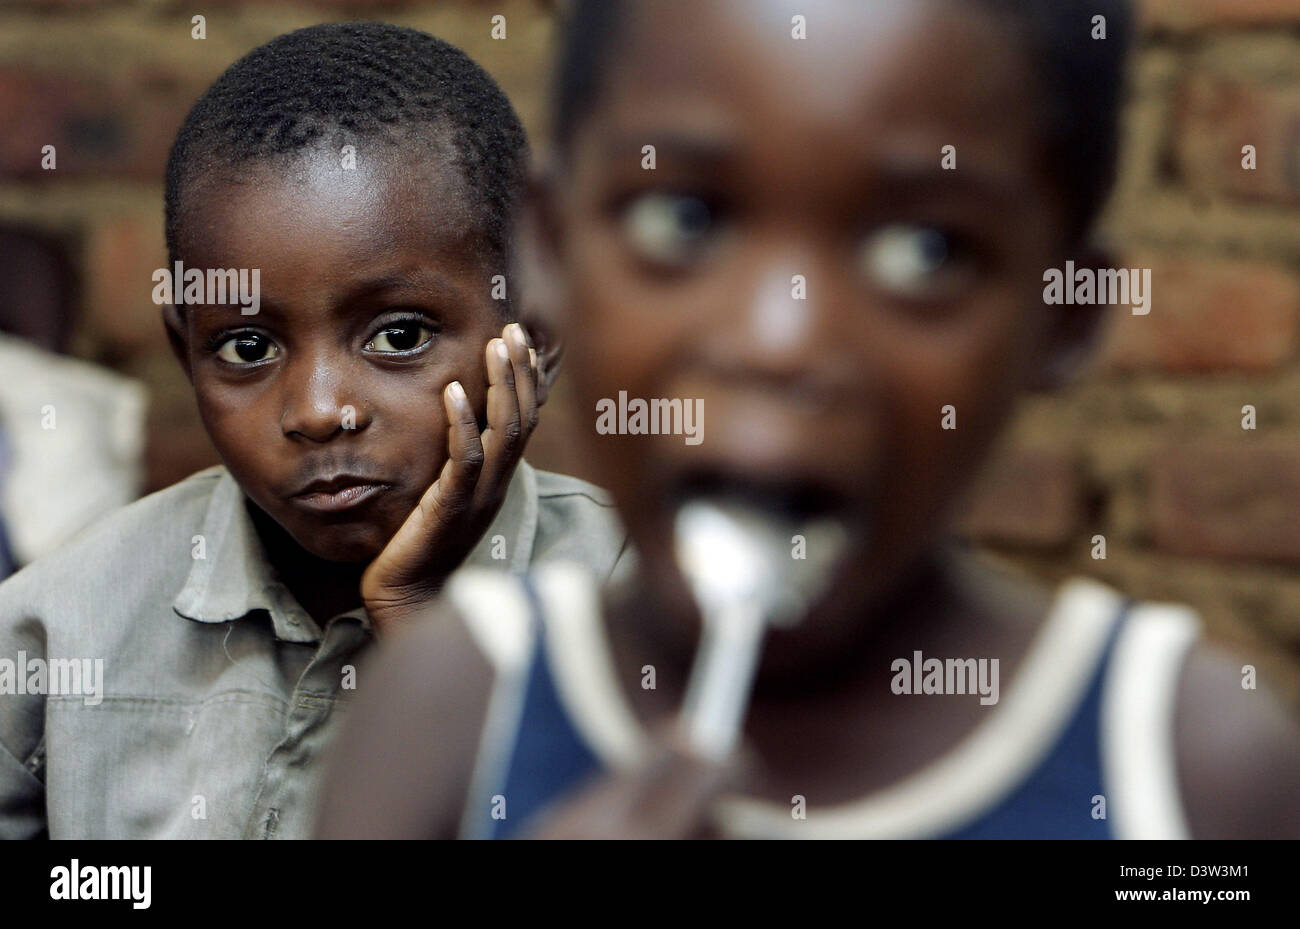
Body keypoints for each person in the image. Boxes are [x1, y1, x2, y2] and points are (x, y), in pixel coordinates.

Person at [316, 0, 1300, 839]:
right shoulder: (455, 704)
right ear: (551, 250)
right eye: (681, 220)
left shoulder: (1180, 769)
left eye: (926, 249)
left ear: (1065, 315)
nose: (778, 339)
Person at [0, 22, 626, 839]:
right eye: (247, 347)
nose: (318, 410)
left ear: (534, 329)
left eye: (398, 335)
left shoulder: (632, 605)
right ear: (184, 351)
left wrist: (421, 624)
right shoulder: (62, 626)